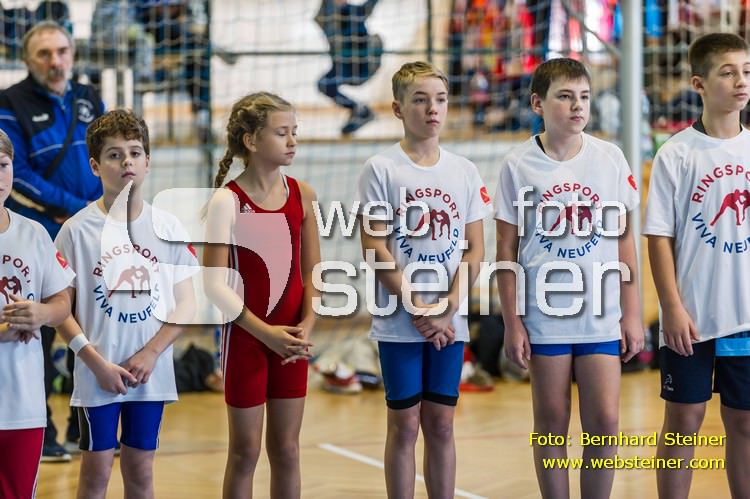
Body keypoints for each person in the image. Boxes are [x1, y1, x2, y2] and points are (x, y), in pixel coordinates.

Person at [494, 58, 642, 498]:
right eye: (565, 96)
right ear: (538, 103)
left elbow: (625, 242)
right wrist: (512, 322)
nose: (577, 106)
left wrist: (632, 314)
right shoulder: (517, 164)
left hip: (600, 315)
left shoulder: (609, 158)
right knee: (552, 423)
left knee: (605, 423)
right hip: (546, 317)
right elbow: (506, 251)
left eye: (584, 97)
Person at [357, 61, 492, 498]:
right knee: (404, 423)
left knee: (441, 423)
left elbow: (475, 249)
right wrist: (418, 306)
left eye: (440, 99)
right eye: (420, 100)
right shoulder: (381, 169)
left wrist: (446, 309)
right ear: (398, 109)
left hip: (449, 323)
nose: (432, 108)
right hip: (400, 322)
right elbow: (374, 247)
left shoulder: (464, 171)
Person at [53, 109, 197, 498]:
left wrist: (151, 353)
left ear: (147, 161)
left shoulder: (168, 227)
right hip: (97, 374)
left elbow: (186, 304)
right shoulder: (75, 231)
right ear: (95, 166)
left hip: (150, 373)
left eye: (134, 153)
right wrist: (94, 362)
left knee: (141, 472)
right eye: (114, 155)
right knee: (95, 474)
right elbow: (60, 310)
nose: (126, 162)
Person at [643, 32, 750, 499]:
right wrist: (670, 307)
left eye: (746, 71)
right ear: (699, 83)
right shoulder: (677, 153)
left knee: (744, 422)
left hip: (745, 316)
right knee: (683, 421)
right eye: (728, 72)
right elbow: (658, 237)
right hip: (691, 317)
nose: (741, 80)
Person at [203, 92, 321, 498]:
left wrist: (307, 325)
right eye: (281, 133)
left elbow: (313, 271)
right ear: (251, 140)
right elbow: (214, 284)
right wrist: (266, 333)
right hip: (247, 340)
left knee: (287, 450)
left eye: (294, 132)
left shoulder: (304, 195)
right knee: (245, 453)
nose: (292, 141)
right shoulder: (227, 201)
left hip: (291, 340)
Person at [0, 20, 105, 462]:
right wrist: (75, 207)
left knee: (94, 325)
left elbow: (105, 153)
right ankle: (41, 429)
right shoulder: (9, 103)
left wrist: (99, 211)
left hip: (89, 234)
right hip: (40, 231)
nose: (55, 61)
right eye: (44, 54)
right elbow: (17, 173)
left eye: (62, 51)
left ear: (73, 54)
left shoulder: (88, 97)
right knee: (39, 330)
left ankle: (88, 425)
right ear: (28, 60)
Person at [0, 128, 74, 498]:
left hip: (23, 403)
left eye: (2, 165)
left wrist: (40, 315)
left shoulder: (33, 233)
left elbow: (62, 302)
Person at [315, 0, 383, 135]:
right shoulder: (327, 15)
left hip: (363, 66)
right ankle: (360, 111)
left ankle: (360, 112)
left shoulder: (355, 11)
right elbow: (323, 15)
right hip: (343, 66)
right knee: (324, 84)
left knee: (325, 84)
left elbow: (370, 5)